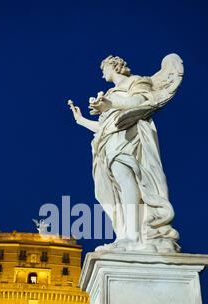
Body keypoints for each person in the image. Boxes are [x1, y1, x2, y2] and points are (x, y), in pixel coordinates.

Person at [69, 54, 183, 253]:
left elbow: (140, 103)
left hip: (129, 140)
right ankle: (125, 235)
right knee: (120, 189)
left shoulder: (135, 81)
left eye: (104, 68)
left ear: (114, 66)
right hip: (110, 141)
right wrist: (81, 120)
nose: (102, 72)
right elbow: (106, 126)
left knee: (128, 181)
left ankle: (133, 236)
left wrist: (110, 104)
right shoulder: (110, 93)